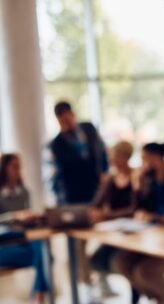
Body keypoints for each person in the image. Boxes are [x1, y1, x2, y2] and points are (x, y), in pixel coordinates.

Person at [112, 141, 164, 304]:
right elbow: (138, 209)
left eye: (144, 158)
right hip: (157, 235)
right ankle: (159, 297)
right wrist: (136, 186)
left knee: (144, 272)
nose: (141, 163)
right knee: (121, 262)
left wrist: (152, 218)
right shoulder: (148, 178)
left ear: (155, 158)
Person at [48, 100, 109, 296]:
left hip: (97, 195)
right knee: (79, 245)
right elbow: (56, 178)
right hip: (75, 201)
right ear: (58, 120)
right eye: (61, 118)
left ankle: (102, 279)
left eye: (68, 116)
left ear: (73, 114)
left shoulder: (89, 129)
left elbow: (102, 152)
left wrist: (105, 175)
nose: (66, 121)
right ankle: (86, 285)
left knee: (105, 237)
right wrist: (63, 208)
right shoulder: (56, 144)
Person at [88, 140, 137, 298]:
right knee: (96, 260)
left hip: (134, 231)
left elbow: (134, 209)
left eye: (115, 157)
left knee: (124, 261)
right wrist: (92, 213)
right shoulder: (110, 179)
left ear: (126, 157)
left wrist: (106, 215)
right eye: (111, 157)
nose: (111, 160)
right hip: (114, 232)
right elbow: (97, 203)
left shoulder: (136, 177)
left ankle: (136, 289)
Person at [0, 153, 49, 304]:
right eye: (14, 167)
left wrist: (32, 218)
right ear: (4, 169)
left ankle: (36, 297)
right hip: (3, 246)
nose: (18, 171)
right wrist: (13, 216)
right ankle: (37, 297)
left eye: (19, 167)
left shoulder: (24, 192)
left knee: (42, 250)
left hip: (22, 241)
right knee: (45, 256)